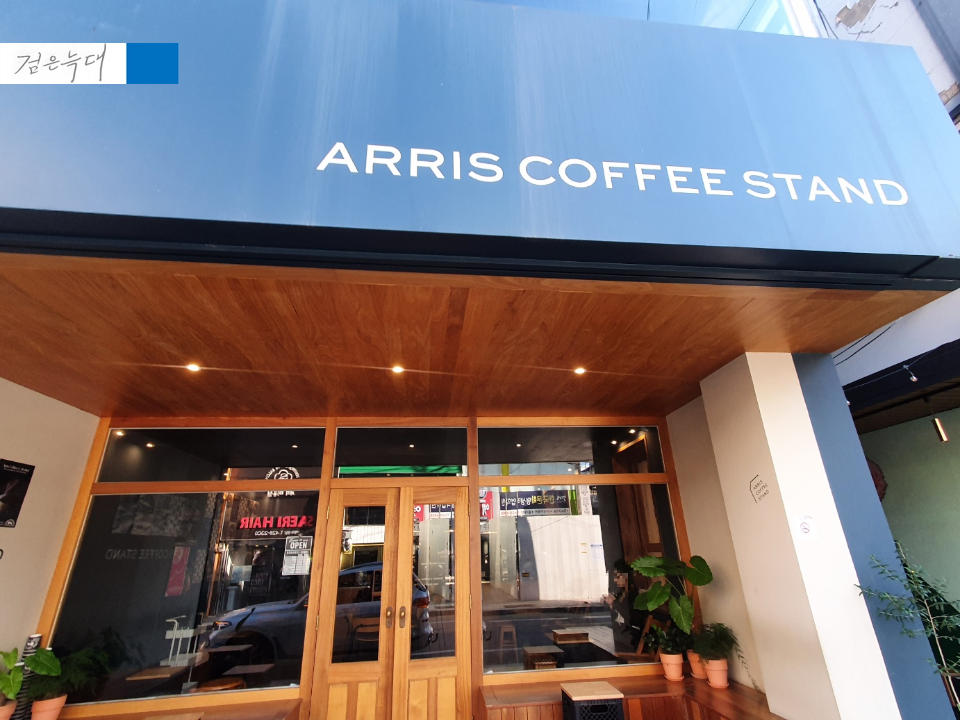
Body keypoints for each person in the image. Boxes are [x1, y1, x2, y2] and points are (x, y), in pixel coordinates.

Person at [602, 559, 645, 654]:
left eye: (618, 577)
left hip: (630, 637)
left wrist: (614, 604)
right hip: (620, 634)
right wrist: (611, 605)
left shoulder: (634, 595)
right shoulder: (620, 594)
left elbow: (631, 619)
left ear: (626, 576)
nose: (615, 580)